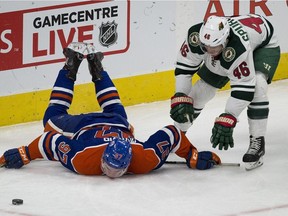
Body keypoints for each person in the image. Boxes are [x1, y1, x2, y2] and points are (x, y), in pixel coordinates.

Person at [0, 42, 221, 178]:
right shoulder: (83, 159)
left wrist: (191, 155)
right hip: (84, 126)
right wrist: (25, 153)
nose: (111, 174)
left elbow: (172, 134)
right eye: (110, 167)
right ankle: (76, 66)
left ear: (128, 160)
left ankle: (89, 67)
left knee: (117, 113)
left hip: (115, 123)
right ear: (104, 157)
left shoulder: (142, 159)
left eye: (118, 170)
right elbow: (48, 140)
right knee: (51, 120)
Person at [170, 14, 280, 170]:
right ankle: (177, 136)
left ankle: (258, 141)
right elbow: (184, 67)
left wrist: (229, 116)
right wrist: (181, 95)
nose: (209, 51)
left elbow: (244, 87)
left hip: (263, 45)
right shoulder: (197, 37)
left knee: (258, 87)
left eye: (214, 47)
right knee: (201, 92)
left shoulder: (237, 47)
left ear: (225, 40)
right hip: (231, 48)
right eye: (205, 47)